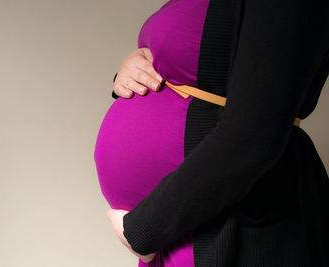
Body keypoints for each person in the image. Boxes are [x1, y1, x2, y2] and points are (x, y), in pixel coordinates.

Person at [95, 0, 329, 266]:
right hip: (177, 232)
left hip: (235, 222)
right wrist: (132, 71)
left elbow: (251, 138)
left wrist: (143, 229)